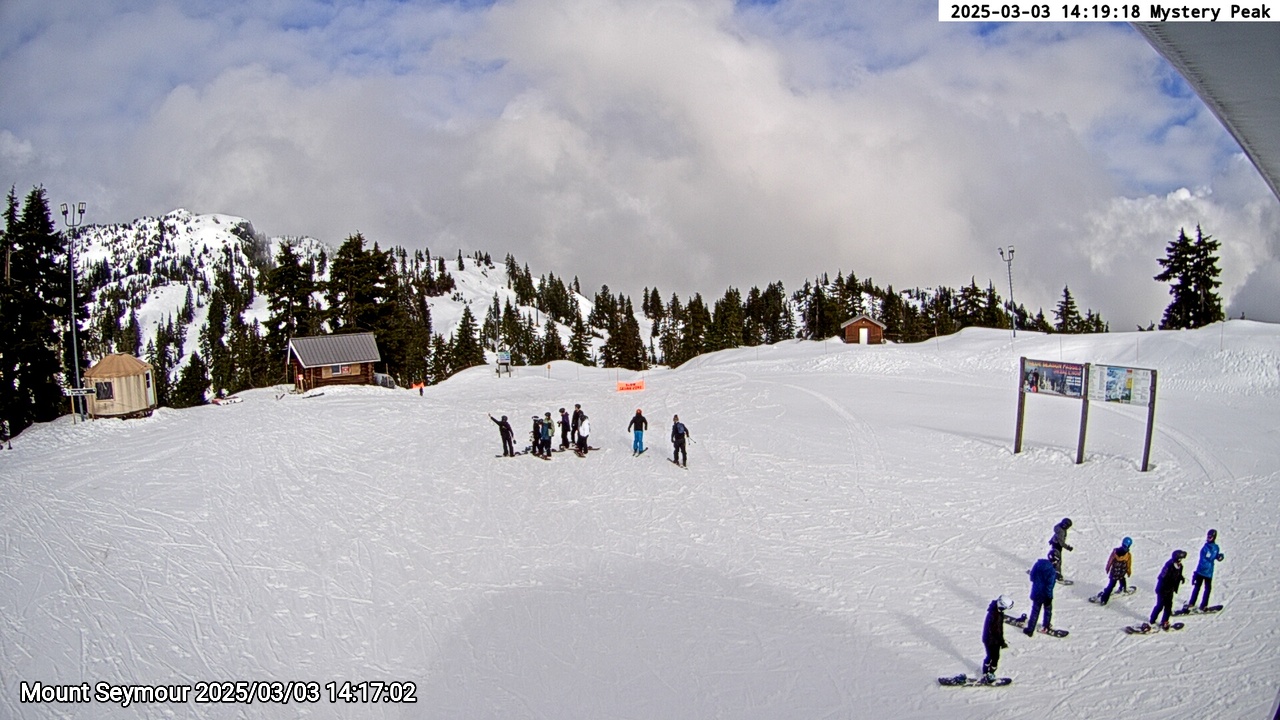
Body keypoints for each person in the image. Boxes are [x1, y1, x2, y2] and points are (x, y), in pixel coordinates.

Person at [1184, 529, 1224, 613]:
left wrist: (1219, 557)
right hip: (1201, 571)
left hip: (1209, 573)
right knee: (1197, 588)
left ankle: (1204, 604)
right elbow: (1207, 558)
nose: (1209, 538)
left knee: (1207, 589)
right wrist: (1215, 557)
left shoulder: (1216, 547)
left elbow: (1214, 556)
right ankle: (1191, 603)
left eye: (1211, 537)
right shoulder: (1205, 548)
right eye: (1208, 537)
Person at [1150, 549, 1187, 629]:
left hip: (1170, 589)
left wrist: (1181, 578)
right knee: (1160, 606)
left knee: (1169, 606)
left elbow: (1178, 574)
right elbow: (1162, 577)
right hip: (1163, 589)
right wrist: (1164, 586)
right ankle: (1152, 620)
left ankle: (1165, 621)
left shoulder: (1180, 566)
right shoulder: (1169, 566)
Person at [981, 595, 1013, 683]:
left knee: (990, 655)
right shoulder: (996, 616)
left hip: (988, 639)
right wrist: (1001, 642)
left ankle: (985, 670)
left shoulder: (995, 611)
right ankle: (990, 672)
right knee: (995, 657)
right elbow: (997, 631)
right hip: (992, 641)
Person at [1025, 551, 1057, 637]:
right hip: (1045, 595)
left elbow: (1032, 577)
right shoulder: (1052, 571)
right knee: (1047, 611)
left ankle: (1030, 630)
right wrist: (1049, 597)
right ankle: (1046, 626)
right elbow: (1050, 586)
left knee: (1034, 611)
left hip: (1036, 592)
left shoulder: (1038, 564)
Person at [1097, 537, 1134, 605]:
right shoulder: (1128, 555)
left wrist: (1108, 567)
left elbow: (1110, 560)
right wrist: (1128, 571)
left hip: (1114, 573)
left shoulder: (1115, 552)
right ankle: (1123, 588)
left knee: (1111, 586)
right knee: (1122, 579)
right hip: (1122, 573)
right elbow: (1128, 564)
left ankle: (1104, 599)